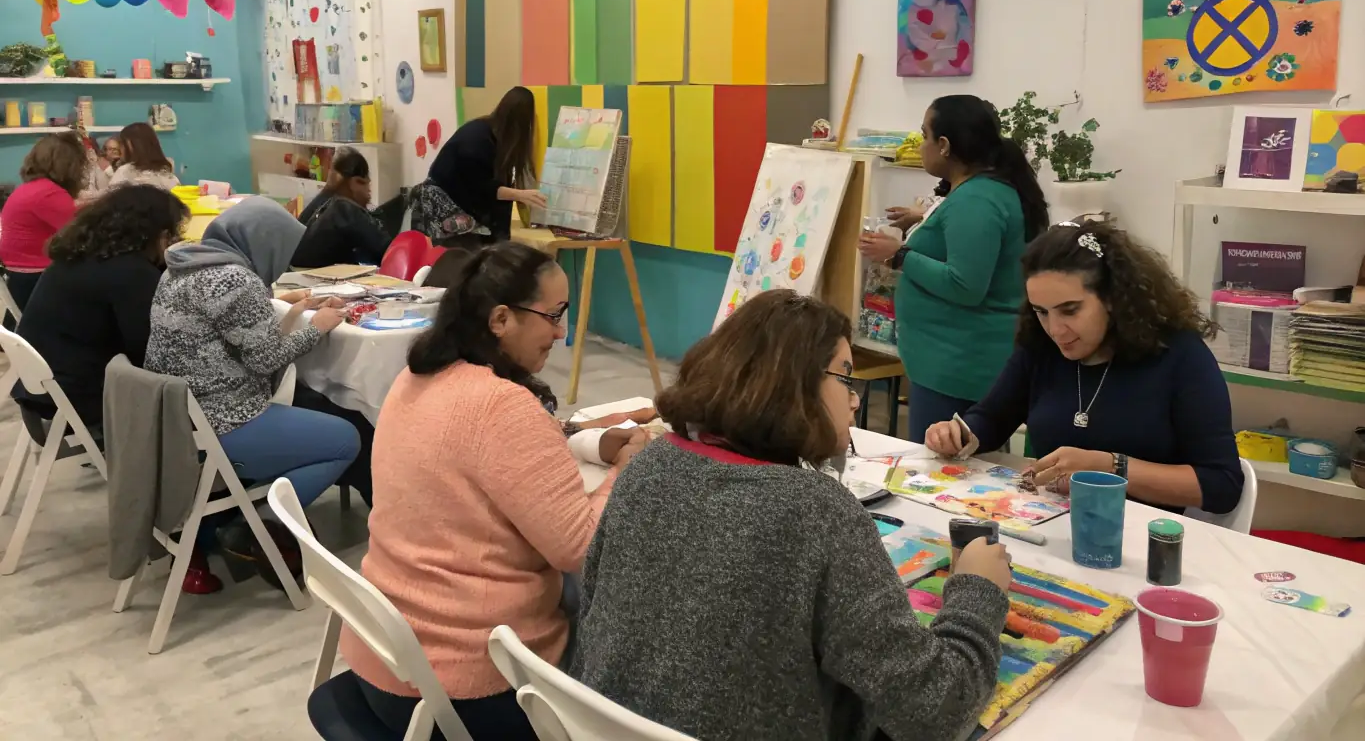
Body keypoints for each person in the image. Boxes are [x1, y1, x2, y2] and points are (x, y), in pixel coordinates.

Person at [569, 289, 1011, 741]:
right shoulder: (816, 511)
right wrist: (977, 591)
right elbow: (937, 711)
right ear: (794, 383)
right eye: (845, 377)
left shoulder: (650, 464)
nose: (854, 401)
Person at [340, 242, 648, 741]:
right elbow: (581, 547)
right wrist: (629, 471)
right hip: (468, 684)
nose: (561, 331)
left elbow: (486, 463)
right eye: (553, 315)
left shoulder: (418, 376)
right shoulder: (501, 407)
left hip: (387, 655)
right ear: (501, 319)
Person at [924, 221, 1245, 514]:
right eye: (1041, 311)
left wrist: (1111, 468)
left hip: (1141, 539)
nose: (1056, 329)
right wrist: (958, 434)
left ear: (1111, 297)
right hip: (1048, 524)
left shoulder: (1179, 354)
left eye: (1070, 310)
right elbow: (992, 417)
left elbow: (1221, 485)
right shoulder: (1040, 347)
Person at [145, 197, 362, 587]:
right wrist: (320, 325)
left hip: (181, 419)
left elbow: (224, 320)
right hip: (224, 422)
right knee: (346, 438)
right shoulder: (234, 280)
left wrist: (280, 304)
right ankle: (259, 526)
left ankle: (242, 518)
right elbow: (265, 359)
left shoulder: (183, 265)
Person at [858, 95, 1048, 442]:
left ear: (944, 145)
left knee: (939, 471)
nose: (922, 146)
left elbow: (965, 285)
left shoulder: (977, 200)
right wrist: (924, 220)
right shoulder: (980, 192)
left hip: (957, 367)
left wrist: (899, 255)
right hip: (953, 362)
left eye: (924, 135)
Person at [14, 185, 190, 431]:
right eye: (171, 235)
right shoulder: (130, 273)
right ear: (156, 234)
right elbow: (153, 352)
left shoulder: (77, 255)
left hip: (42, 393)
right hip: (81, 401)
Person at [412, 86, 546, 245]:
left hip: (458, 204)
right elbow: (483, 187)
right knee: (458, 260)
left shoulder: (493, 138)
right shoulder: (477, 139)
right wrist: (520, 195)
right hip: (442, 205)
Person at [0, 133, 85, 308]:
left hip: (17, 275)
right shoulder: (50, 194)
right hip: (36, 277)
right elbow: (82, 233)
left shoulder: (30, 188)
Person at [292, 148, 392, 268]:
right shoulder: (343, 210)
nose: (369, 192)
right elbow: (389, 252)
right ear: (355, 181)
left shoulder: (319, 204)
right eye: (365, 184)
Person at [110, 122, 180, 191]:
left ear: (131, 145)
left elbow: (108, 199)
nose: (119, 148)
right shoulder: (170, 178)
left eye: (122, 144)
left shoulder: (123, 173)